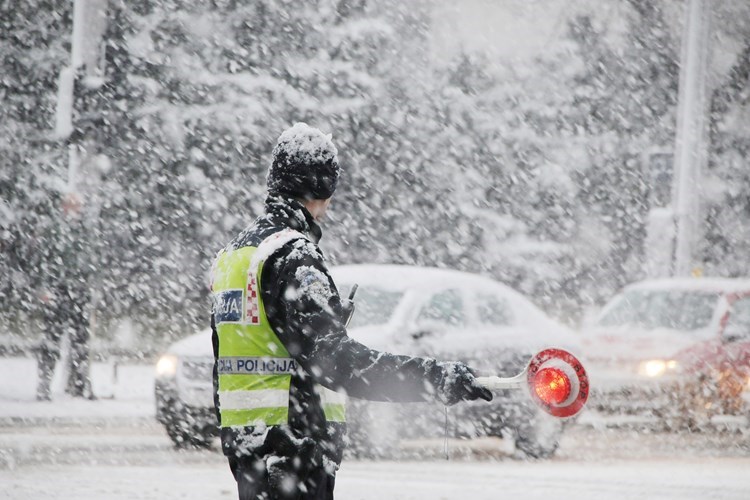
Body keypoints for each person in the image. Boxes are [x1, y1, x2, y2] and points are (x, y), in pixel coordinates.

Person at [211, 122, 492, 500]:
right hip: (294, 447)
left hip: (249, 449)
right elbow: (340, 363)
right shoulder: (293, 257)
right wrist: (435, 377)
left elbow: (231, 358)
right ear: (323, 186)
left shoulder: (235, 255)